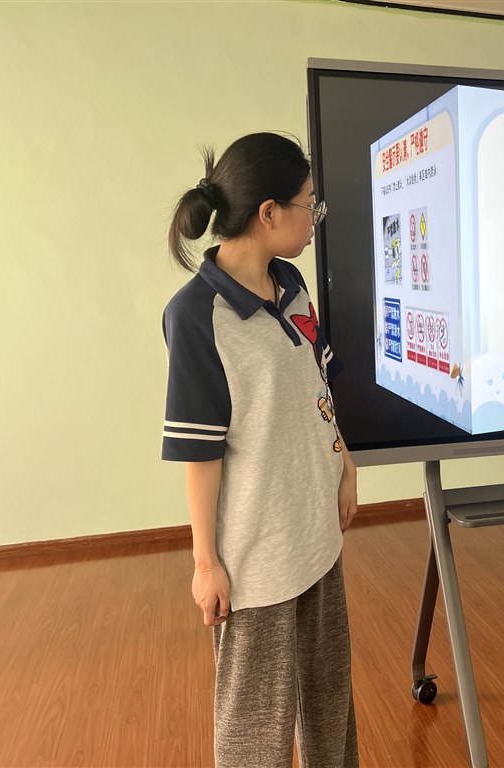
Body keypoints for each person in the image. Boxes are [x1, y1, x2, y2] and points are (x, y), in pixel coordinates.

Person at [161, 132, 358, 768]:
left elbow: (318, 384)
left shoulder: (291, 282)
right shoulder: (196, 316)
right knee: (255, 730)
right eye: (309, 204)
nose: (315, 216)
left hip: (317, 534)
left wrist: (344, 462)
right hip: (257, 558)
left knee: (330, 706)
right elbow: (200, 452)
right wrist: (205, 564)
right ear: (269, 212)